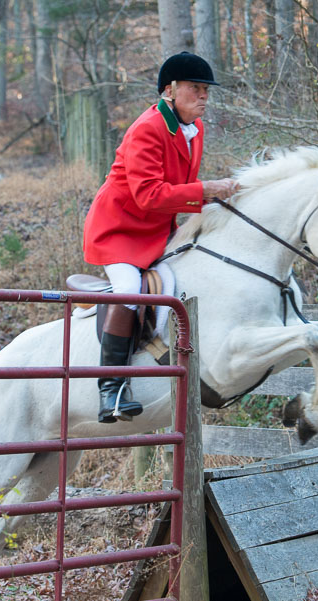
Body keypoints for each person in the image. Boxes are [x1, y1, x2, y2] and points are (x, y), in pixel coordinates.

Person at [83, 51, 240, 424]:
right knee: (130, 290)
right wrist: (206, 190)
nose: (203, 96)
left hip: (156, 230)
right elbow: (149, 195)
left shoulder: (194, 130)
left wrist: (215, 199)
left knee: (185, 278)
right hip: (118, 230)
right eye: (195, 88)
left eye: (206, 90)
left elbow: (180, 190)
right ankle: (112, 388)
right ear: (170, 90)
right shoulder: (147, 128)